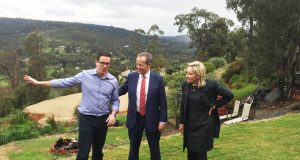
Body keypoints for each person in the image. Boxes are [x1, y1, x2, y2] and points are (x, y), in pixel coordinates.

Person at [23, 52, 119, 160]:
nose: (105, 66)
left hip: (103, 120)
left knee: (98, 152)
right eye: (102, 63)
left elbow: (115, 100)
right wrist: (39, 83)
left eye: (107, 63)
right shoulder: (85, 75)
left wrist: (113, 114)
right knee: (83, 152)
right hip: (86, 119)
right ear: (96, 62)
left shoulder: (113, 81)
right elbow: (64, 82)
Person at [179, 61, 234, 160]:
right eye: (186, 73)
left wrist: (215, 105)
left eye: (190, 74)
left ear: (199, 75)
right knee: (190, 153)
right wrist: (181, 122)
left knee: (200, 154)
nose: (187, 76)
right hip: (190, 126)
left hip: (204, 125)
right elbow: (183, 104)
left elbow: (229, 95)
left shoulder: (211, 85)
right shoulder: (185, 85)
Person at [119, 52, 167, 160]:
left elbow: (163, 102)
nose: (138, 67)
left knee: (154, 148)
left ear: (149, 64)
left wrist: (162, 120)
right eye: (137, 64)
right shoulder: (132, 76)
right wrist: (107, 94)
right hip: (134, 118)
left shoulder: (158, 79)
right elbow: (121, 90)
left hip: (152, 118)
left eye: (141, 65)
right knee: (133, 148)